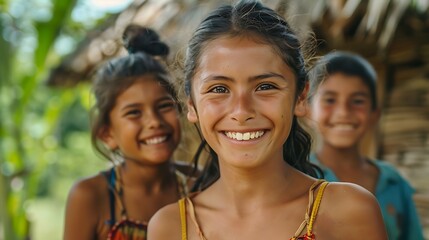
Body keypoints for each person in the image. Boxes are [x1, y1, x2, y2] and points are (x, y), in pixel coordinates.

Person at [147, 1, 388, 239]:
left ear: (301, 97)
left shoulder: (350, 212)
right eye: (219, 89)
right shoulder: (171, 227)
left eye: (265, 86)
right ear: (191, 104)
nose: (241, 111)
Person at [64, 24, 190, 240]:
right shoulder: (91, 197)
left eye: (164, 106)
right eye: (134, 113)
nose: (154, 122)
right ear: (108, 135)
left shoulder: (199, 184)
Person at [307, 51, 424, 240]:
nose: (344, 112)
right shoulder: (299, 176)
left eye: (357, 101)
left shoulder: (393, 182)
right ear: (307, 110)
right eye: (330, 100)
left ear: (374, 114)